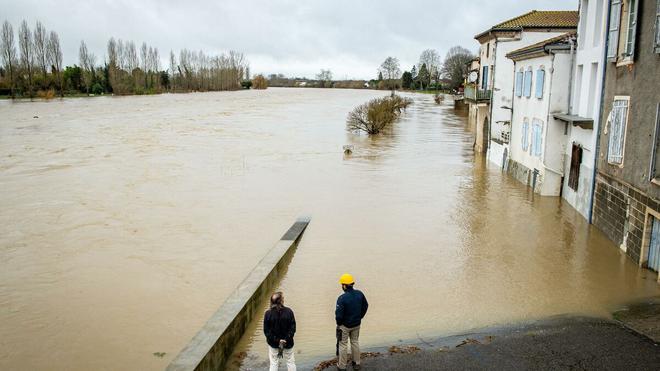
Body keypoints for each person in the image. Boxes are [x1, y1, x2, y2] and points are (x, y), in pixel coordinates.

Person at [335, 273, 368, 371]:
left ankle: (342, 366)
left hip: (344, 326)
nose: (342, 286)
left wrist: (339, 323)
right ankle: (356, 363)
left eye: (342, 285)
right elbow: (365, 306)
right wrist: (360, 317)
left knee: (343, 345)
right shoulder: (360, 294)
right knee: (355, 342)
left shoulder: (342, 298)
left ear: (344, 286)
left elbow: (339, 316)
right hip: (356, 324)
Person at [263, 292, 296, 371]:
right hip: (288, 343)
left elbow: (266, 332)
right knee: (290, 362)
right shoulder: (289, 311)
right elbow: (293, 328)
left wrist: (277, 340)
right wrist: (285, 339)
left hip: (273, 344)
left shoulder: (268, 314)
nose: (283, 299)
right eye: (283, 298)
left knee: (274, 363)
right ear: (281, 301)